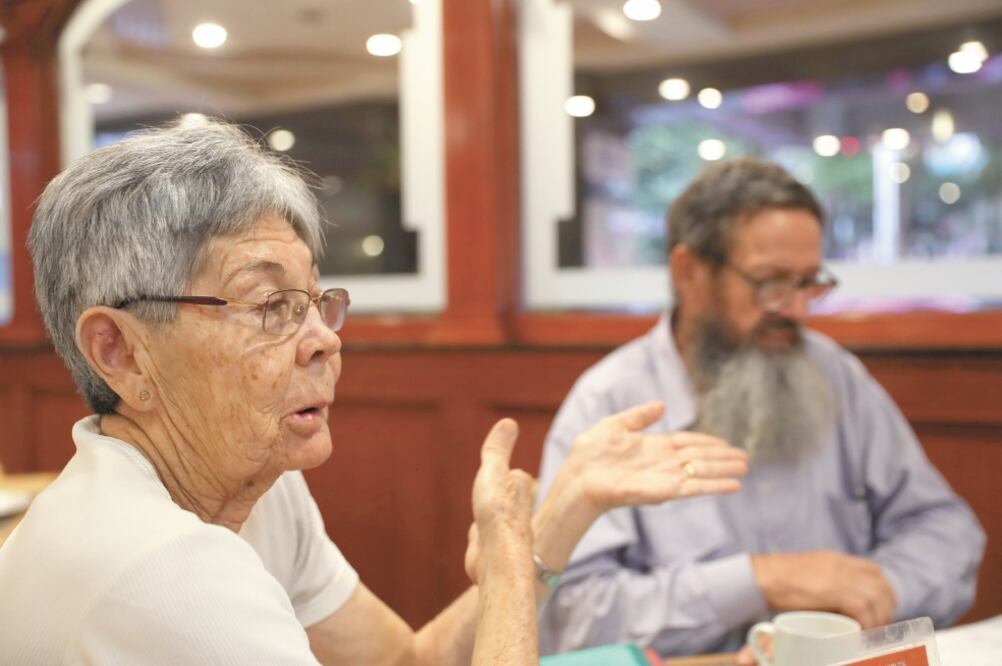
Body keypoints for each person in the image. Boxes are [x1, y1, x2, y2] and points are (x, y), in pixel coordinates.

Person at [0, 118, 748, 665]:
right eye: (269, 308)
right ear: (120, 352)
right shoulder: (162, 571)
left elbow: (407, 664)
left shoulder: (257, 491)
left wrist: (562, 511)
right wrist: (510, 553)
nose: (323, 339)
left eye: (314, 302)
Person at [535, 158, 986, 660]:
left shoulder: (833, 373)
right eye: (771, 283)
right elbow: (572, 616)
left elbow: (947, 531)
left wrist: (868, 596)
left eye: (808, 283)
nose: (794, 309)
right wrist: (759, 580)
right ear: (689, 272)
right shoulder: (611, 405)